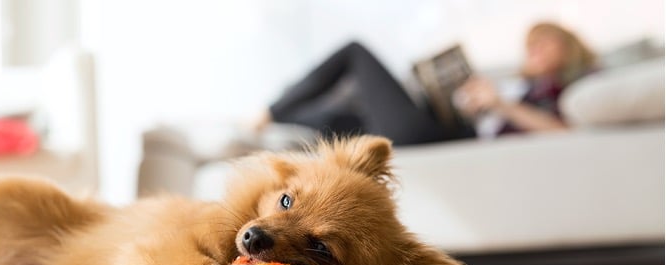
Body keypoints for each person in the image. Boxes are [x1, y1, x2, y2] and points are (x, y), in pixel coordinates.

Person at [252, 22, 597, 145]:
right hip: (440, 123)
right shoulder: (520, 82)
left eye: (544, 44)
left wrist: (500, 104)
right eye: (530, 45)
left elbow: (562, 131)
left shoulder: (561, 88)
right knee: (341, 118)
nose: (533, 51)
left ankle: (269, 111)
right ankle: (277, 119)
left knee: (355, 53)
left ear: (568, 49)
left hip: (433, 136)